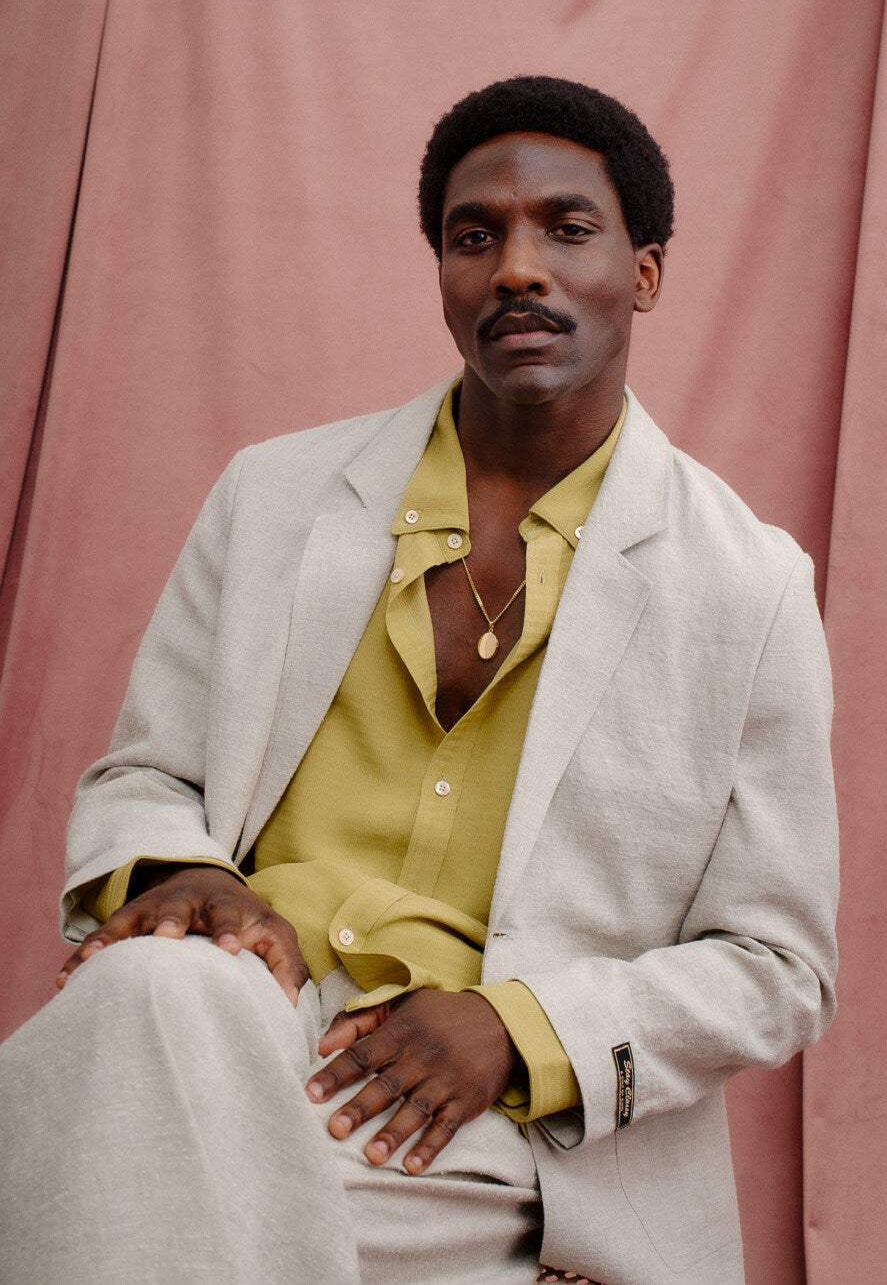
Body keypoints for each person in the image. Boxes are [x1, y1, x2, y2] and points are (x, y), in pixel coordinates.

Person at [0, 76, 838, 1285]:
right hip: (238, 1014)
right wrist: (192, 878)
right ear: (443, 272)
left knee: (98, 1175)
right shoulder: (273, 497)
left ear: (645, 273)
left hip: (500, 1133)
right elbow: (148, 773)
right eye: (473, 236)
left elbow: (776, 963)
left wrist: (515, 1029)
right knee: (162, 992)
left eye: (568, 228)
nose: (516, 269)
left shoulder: (746, 587)